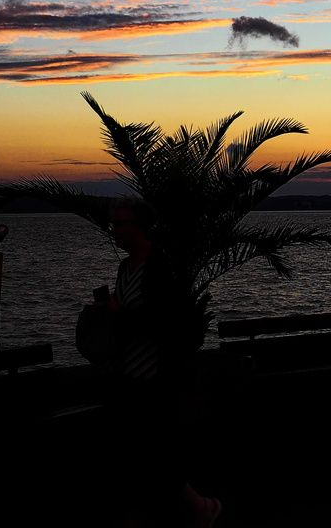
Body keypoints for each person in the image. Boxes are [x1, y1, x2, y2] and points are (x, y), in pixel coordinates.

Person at [105, 200, 221, 528]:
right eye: (113, 224)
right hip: (126, 372)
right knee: (141, 451)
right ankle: (188, 508)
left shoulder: (158, 266)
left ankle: (199, 506)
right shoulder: (124, 268)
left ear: (139, 226)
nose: (114, 230)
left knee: (152, 451)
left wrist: (119, 315)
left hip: (154, 375)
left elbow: (163, 322)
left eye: (120, 223)